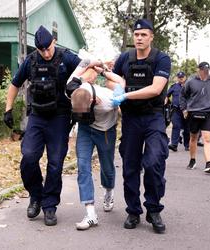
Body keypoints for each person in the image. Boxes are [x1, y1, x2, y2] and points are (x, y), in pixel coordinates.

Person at [3, 25, 97, 226]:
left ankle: (50, 206)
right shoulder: (31, 60)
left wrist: (78, 81)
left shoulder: (67, 57)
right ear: (37, 48)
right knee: (28, 157)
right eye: (41, 49)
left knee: (55, 164)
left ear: (53, 41)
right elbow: (14, 84)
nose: (45, 53)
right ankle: (36, 196)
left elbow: (90, 71)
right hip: (37, 117)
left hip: (60, 118)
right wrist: (8, 109)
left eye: (47, 48)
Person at [108, 19, 171, 234]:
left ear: (151, 37)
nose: (139, 38)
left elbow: (156, 89)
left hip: (153, 116)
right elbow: (113, 78)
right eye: (136, 35)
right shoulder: (125, 58)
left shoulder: (161, 59)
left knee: (154, 162)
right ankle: (133, 211)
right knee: (130, 166)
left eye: (144, 35)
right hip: (131, 118)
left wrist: (125, 94)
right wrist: (116, 87)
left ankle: (153, 209)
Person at [65, 66, 124, 230]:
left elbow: (121, 82)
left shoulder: (108, 101)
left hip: (105, 130)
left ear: (93, 101)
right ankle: (90, 214)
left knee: (107, 166)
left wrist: (105, 72)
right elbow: (80, 67)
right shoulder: (73, 89)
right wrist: (93, 64)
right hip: (85, 129)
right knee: (83, 166)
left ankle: (109, 191)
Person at [180, 61, 210, 173]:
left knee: (207, 139)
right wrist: (184, 109)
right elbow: (183, 95)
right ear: (198, 70)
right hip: (193, 113)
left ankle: (208, 163)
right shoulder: (190, 81)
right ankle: (192, 160)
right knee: (193, 138)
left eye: (207, 71)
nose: (205, 72)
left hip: (208, 113)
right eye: (203, 70)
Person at [166, 71, 190, 151]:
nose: (181, 79)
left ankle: (187, 145)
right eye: (179, 78)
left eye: (182, 77)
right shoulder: (174, 86)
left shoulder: (189, 86)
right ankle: (174, 145)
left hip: (186, 111)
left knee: (187, 128)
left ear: (185, 77)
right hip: (176, 110)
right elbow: (167, 95)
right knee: (176, 126)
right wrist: (166, 102)